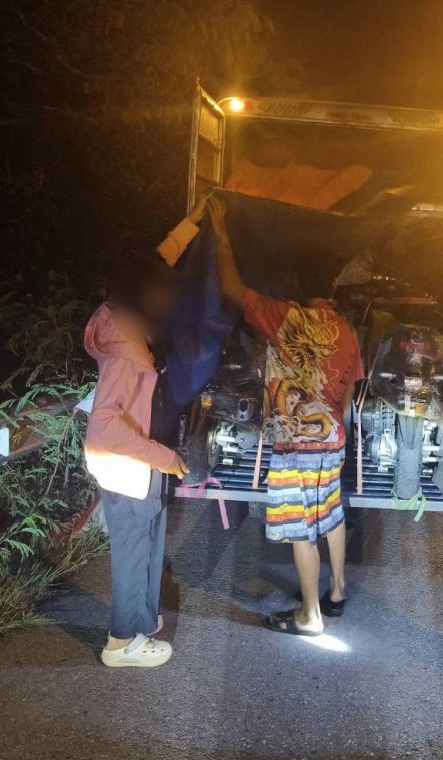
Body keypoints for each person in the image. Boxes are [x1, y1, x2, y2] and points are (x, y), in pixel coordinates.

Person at [209, 196, 364, 637]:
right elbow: (349, 395)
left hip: (295, 443)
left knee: (301, 528)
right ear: (334, 284)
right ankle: (337, 591)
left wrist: (221, 232)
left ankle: (310, 616)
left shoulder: (284, 317)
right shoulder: (347, 330)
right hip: (332, 440)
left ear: (297, 283)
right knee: (329, 513)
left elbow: (232, 288)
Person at [83, 199, 207, 667]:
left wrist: (192, 224)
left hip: (138, 463)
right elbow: (105, 427)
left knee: (149, 540)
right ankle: (121, 643)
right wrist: (164, 457)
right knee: (134, 549)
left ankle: (142, 618)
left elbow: (153, 265)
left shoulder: (117, 318)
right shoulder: (127, 351)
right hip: (129, 465)